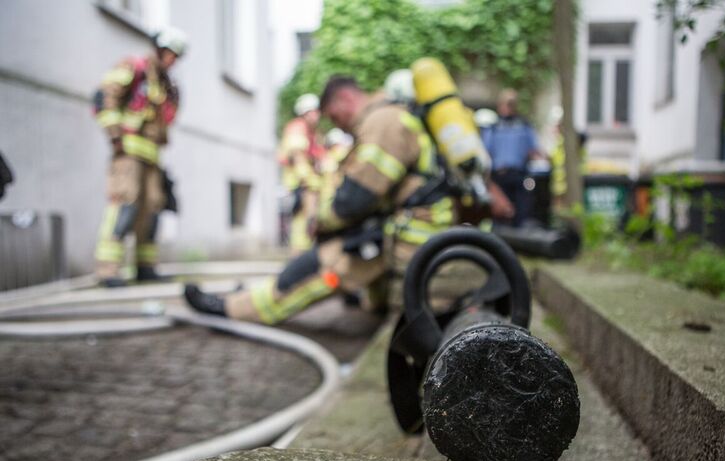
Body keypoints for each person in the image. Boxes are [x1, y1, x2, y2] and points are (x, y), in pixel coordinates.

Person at [184, 75, 457, 324]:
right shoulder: (393, 116)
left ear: (345, 99)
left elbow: (355, 199)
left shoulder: (383, 122)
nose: (334, 124)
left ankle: (233, 309)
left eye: (333, 116)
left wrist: (323, 222)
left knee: (312, 270)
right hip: (409, 229)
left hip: (406, 235)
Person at [93, 27, 187, 286]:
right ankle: (108, 270)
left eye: (177, 56)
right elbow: (105, 97)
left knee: (152, 209)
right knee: (124, 205)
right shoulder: (135, 67)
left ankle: (145, 267)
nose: (173, 60)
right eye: (171, 53)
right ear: (159, 48)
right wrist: (115, 136)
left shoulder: (166, 83)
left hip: (152, 156)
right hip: (128, 154)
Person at [481, 89, 542, 227]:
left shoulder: (524, 126)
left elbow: (534, 150)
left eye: (511, 104)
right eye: (506, 103)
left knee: (521, 214)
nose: (508, 107)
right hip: (499, 177)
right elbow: (485, 153)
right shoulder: (493, 128)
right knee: (500, 215)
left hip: (519, 176)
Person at [279, 94, 325, 253]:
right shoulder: (297, 129)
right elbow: (299, 160)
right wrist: (314, 182)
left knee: (308, 224)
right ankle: (299, 257)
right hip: (300, 186)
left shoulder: (313, 132)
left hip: (308, 184)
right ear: (304, 113)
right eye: (313, 111)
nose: (317, 115)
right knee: (303, 224)